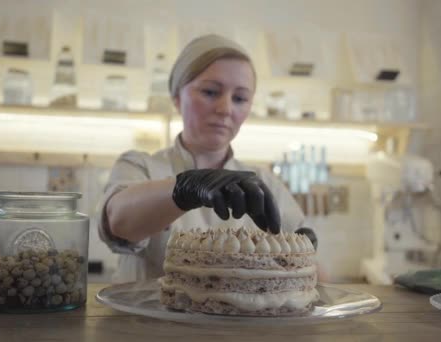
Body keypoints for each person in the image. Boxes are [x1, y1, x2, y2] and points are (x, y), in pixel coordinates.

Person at [98, 34, 316, 283]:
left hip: (242, 323)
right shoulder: (140, 166)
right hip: (145, 322)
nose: (225, 109)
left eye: (240, 98)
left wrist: (307, 253)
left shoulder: (264, 181)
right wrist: (185, 188)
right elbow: (118, 222)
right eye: (211, 92)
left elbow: (312, 267)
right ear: (177, 98)